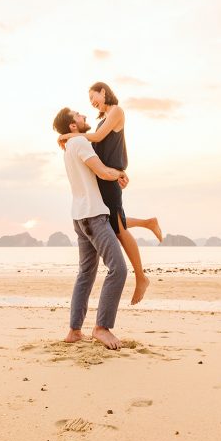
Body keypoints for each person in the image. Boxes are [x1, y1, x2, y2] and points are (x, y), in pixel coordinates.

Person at [58, 82, 162, 305]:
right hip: (106, 178)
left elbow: (97, 138)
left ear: (103, 91)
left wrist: (67, 135)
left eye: (93, 97)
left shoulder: (116, 111)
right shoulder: (101, 119)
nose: (92, 103)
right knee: (115, 222)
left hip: (109, 178)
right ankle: (148, 223)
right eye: (89, 101)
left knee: (118, 229)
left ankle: (141, 277)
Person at [53, 106, 129, 350]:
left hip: (78, 217)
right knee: (118, 269)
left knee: (86, 274)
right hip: (94, 215)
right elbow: (103, 172)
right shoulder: (80, 144)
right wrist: (120, 173)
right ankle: (102, 328)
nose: (84, 115)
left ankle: (74, 331)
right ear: (73, 126)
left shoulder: (69, 147)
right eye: (78, 115)